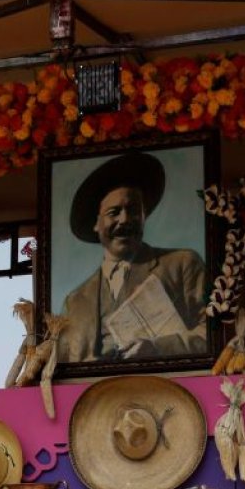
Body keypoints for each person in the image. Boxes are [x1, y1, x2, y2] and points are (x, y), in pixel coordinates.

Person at [58, 151, 208, 363]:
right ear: (96, 223)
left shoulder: (182, 265)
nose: (125, 219)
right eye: (114, 212)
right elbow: (63, 366)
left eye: (133, 210)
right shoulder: (75, 302)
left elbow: (213, 336)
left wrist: (158, 349)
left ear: (144, 216)